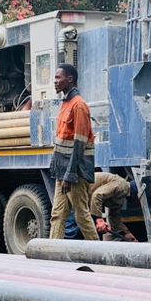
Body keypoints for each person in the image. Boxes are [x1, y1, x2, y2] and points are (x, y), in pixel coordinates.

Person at [49, 64, 98, 241]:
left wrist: (70, 175)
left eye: (58, 78)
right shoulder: (66, 103)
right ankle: (52, 254)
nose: (55, 82)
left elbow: (79, 143)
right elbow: (62, 141)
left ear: (70, 79)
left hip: (75, 173)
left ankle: (99, 253)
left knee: (81, 216)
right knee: (57, 215)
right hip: (64, 171)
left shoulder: (79, 105)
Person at [90, 172, 135, 241]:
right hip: (81, 187)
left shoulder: (121, 195)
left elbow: (114, 216)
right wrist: (99, 220)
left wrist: (126, 233)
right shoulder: (122, 185)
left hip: (87, 195)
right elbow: (97, 195)